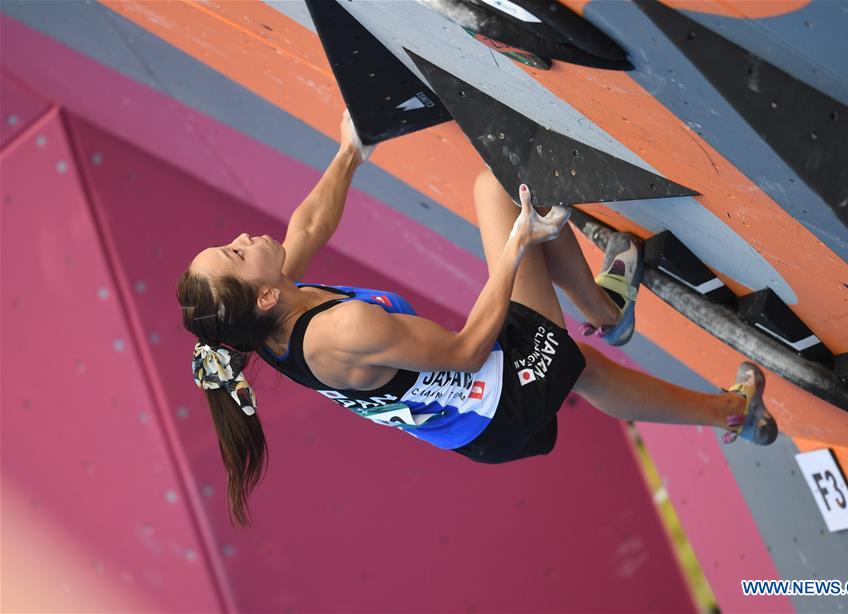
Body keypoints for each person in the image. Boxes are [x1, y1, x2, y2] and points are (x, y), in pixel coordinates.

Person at [177, 110, 778, 528]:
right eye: (235, 253)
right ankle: (611, 314)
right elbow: (466, 351)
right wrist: (517, 246)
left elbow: (308, 225)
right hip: (495, 399)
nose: (242, 238)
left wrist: (352, 149)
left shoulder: (270, 311)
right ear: (261, 297)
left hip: (470, 413)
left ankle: (728, 407)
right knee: (502, 190)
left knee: (582, 367)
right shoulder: (342, 331)